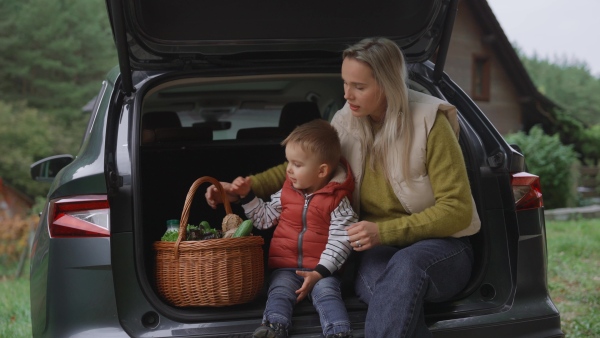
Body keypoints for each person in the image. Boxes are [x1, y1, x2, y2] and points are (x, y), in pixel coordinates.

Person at [206, 37, 481, 338]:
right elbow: (305, 163)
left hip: (442, 247)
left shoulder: (430, 121)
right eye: (345, 83)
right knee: (395, 298)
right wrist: (241, 188)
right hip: (379, 252)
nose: (347, 95)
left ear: (389, 84)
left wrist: (384, 232)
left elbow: (458, 210)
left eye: (359, 87)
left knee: (404, 270)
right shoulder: (345, 121)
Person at [225, 119, 358, 338]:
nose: (289, 170)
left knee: (327, 294)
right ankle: (274, 328)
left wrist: (318, 273)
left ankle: (339, 332)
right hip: (285, 267)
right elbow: (264, 219)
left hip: (322, 270)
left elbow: (341, 241)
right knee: (279, 292)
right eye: (288, 162)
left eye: (297, 164)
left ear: (322, 170)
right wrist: (248, 196)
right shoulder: (286, 193)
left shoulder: (337, 201)